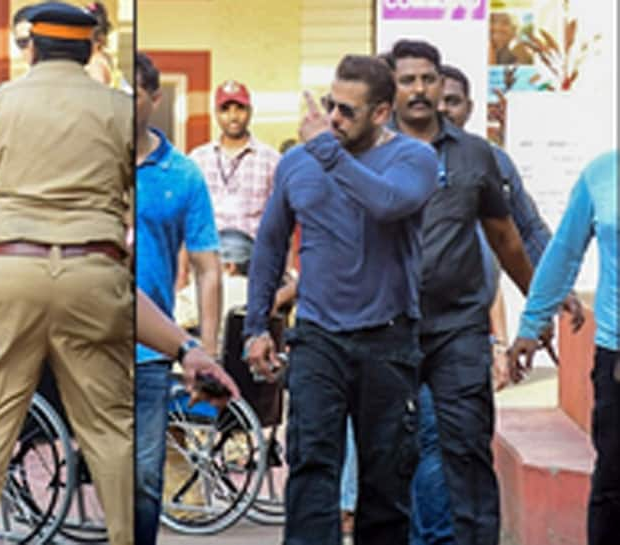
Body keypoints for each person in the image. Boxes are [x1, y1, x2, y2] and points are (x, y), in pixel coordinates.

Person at [0, 4, 132, 544]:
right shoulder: (122, 109)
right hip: (94, 268)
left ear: (31, 48)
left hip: (7, 266)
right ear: (91, 49)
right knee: (109, 426)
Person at [245, 54, 438, 544]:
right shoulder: (298, 163)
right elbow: (269, 244)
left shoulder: (412, 159)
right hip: (317, 337)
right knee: (310, 465)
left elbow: (388, 204)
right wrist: (255, 328)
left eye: (348, 111)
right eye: (331, 105)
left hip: (387, 339)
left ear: (380, 113)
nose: (333, 119)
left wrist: (328, 153)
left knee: (386, 476)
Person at [407, 63, 586, 545]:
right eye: (433, 98)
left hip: (466, 325)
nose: (440, 107)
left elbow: (523, 232)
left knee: (460, 442)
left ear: (468, 108)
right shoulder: (391, 155)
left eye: (452, 101)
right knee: (423, 442)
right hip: (400, 328)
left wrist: (547, 296)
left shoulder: (488, 160)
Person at [387, 39, 543, 545]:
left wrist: (538, 306)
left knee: (467, 450)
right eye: (407, 79)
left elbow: (506, 238)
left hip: (458, 330)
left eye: (427, 79)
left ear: (440, 85)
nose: (418, 89)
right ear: (390, 86)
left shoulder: (475, 155)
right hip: (387, 330)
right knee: (389, 452)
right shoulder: (370, 150)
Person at [134, 51, 227, 544]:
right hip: (81, 339)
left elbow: (208, 267)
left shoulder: (183, 175)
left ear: (154, 97)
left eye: (133, 93)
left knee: (145, 478)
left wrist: (205, 352)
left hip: (150, 349)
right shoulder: (85, 162)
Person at [509, 150, 618, 545]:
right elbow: (565, 251)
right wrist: (532, 323)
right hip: (616, 356)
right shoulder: (603, 174)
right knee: (612, 483)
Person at [189, 79, 280, 240]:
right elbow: (187, 217)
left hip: (255, 258)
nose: (233, 117)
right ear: (216, 113)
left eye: (240, 108)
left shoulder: (271, 160)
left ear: (250, 111)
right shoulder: (198, 159)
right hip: (208, 257)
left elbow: (281, 219)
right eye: (225, 109)